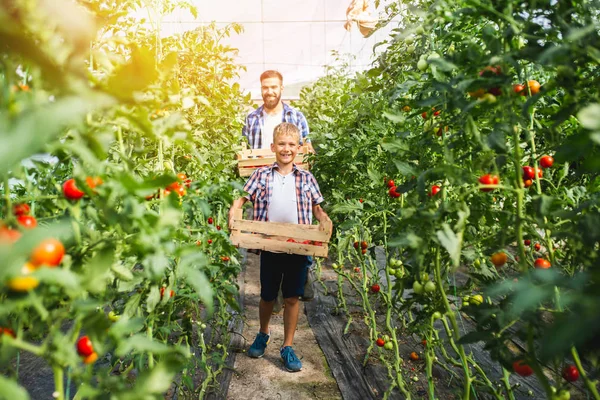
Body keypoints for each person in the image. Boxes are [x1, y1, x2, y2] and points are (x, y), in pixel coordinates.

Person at [229, 122, 330, 372]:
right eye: (282, 144)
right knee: (267, 295)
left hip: (298, 246)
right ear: (273, 147)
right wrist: (236, 206)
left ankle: (287, 346)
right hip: (271, 245)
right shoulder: (262, 175)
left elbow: (317, 207)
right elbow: (244, 197)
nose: (286, 149)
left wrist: (323, 218)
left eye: (291, 145)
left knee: (293, 297)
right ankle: (263, 333)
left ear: (299, 148)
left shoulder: (306, 178)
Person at [242, 70, 315, 154]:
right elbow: (243, 152)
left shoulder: (297, 117)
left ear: (281, 88)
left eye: (273, 87)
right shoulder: (251, 119)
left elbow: (308, 149)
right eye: (265, 88)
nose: (269, 92)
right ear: (261, 89)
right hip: (258, 167)